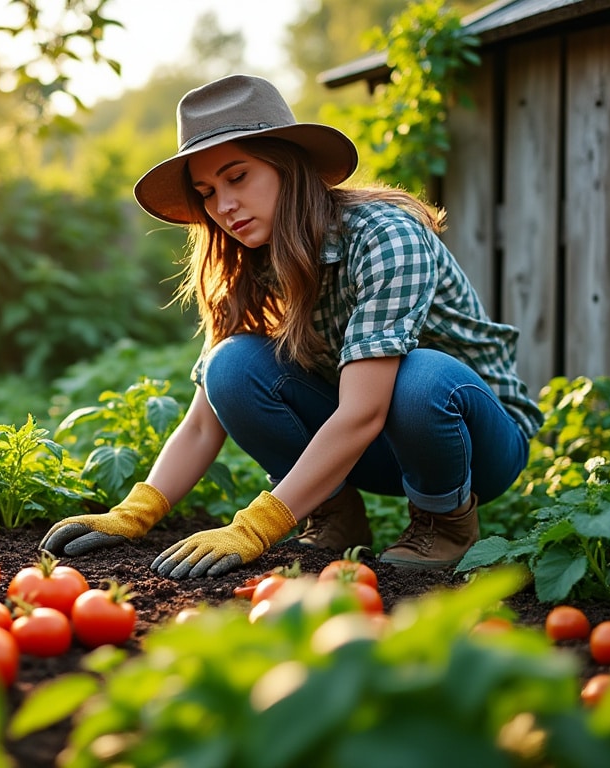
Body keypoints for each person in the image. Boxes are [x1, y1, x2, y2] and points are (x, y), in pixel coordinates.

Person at [40, 74, 543, 579]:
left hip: (472, 445)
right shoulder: (252, 259)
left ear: (288, 166)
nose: (223, 206)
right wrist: (135, 512)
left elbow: (364, 411)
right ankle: (334, 515)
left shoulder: (386, 236)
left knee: (420, 376)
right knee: (229, 367)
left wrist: (256, 527)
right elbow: (202, 422)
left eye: (238, 177)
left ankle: (445, 523)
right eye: (207, 192)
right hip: (368, 447)